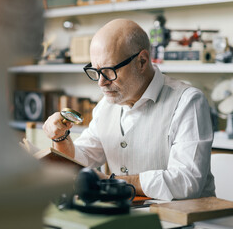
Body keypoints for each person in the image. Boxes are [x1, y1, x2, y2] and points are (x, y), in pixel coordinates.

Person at [42, 19, 215, 201]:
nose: (101, 82)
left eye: (109, 70)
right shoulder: (105, 106)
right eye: (95, 71)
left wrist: (112, 182)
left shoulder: (187, 101)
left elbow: (187, 182)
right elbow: (82, 159)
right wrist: (61, 137)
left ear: (141, 61)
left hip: (187, 221)